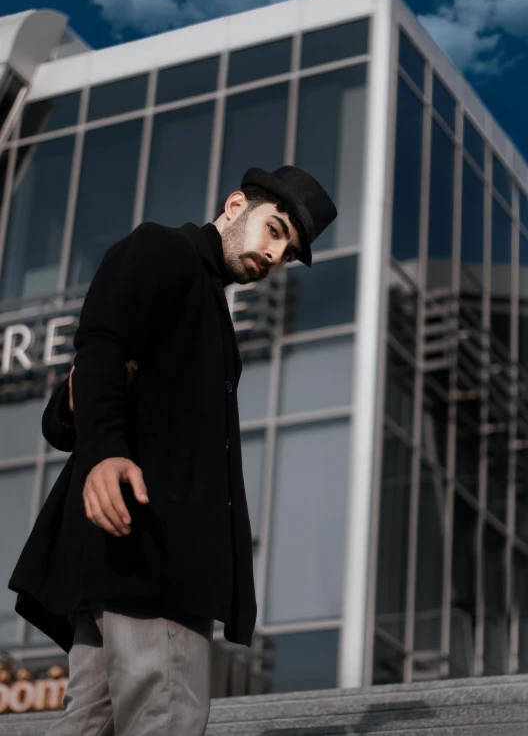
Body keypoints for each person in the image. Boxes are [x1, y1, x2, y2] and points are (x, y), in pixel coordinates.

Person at [9, 165, 338, 735]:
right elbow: (102, 344)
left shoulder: (209, 308)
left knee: (90, 722)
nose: (275, 255)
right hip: (154, 554)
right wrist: (105, 451)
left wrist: (94, 413)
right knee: (166, 720)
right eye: (276, 230)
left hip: (123, 564)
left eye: (288, 253)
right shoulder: (165, 251)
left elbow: (78, 397)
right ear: (237, 206)